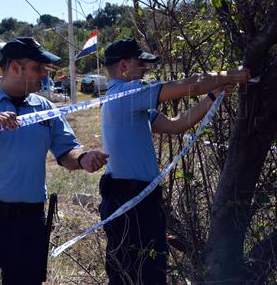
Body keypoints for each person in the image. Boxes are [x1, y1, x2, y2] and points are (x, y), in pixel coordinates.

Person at [0, 37, 108, 285]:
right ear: (14, 68)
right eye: (37, 68)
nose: (44, 74)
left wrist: (83, 158)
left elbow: (66, 151)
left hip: (28, 222)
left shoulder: (44, 107)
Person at [99, 38, 251, 285]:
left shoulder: (128, 101)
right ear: (124, 66)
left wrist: (212, 96)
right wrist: (229, 75)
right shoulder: (125, 94)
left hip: (140, 197)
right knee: (133, 273)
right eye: (141, 64)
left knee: (149, 269)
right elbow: (187, 85)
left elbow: (176, 124)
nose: (146, 70)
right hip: (127, 197)